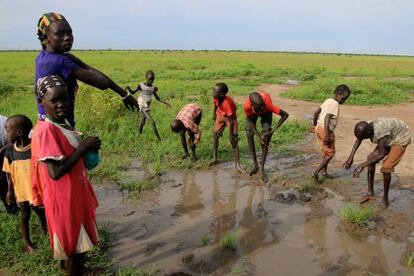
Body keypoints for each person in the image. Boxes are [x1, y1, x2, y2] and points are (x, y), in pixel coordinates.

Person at [31, 75, 101, 275]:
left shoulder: (61, 123)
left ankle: (81, 268)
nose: (61, 105)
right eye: (54, 101)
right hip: (64, 198)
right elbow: (55, 172)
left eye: (65, 99)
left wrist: (86, 147)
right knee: (73, 245)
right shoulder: (46, 130)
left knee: (79, 244)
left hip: (74, 193)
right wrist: (83, 148)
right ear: (41, 101)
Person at [36, 12, 139, 127]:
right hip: (60, 127)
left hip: (43, 122)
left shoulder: (42, 57)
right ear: (46, 37)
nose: (67, 38)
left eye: (69, 33)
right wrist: (77, 60)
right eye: (60, 34)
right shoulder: (62, 61)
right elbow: (103, 83)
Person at [2, 115, 47, 253]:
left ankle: (48, 234)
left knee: (41, 213)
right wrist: (9, 191)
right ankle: (27, 244)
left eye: (8, 130)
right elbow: (8, 172)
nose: (5, 133)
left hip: (36, 190)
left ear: (19, 132)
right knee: (24, 215)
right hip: (21, 191)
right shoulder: (10, 152)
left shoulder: (35, 148)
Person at [344, 118, 411, 208]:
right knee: (370, 158)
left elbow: (381, 153)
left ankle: (385, 199)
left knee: (386, 168)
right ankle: (370, 192)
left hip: (400, 137)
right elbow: (359, 139)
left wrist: (363, 165)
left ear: (369, 133)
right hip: (388, 136)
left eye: (364, 137)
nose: (362, 139)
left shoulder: (379, 130)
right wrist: (350, 157)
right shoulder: (366, 126)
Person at [244, 91, 289, 183]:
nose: (261, 110)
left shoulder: (267, 105)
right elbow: (251, 122)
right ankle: (255, 165)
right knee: (249, 133)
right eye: (259, 109)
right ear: (252, 105)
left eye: (262, 108)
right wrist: (257, 136)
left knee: (266, 137)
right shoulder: (247, 106)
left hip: (267, 113)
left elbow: (285, 115)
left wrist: (272, 131)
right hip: (253, 113)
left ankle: (261, 168)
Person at [311, 84, 351, 181]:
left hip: (319, 128)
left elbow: (316, 112)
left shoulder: (327, 100)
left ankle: (324, 173)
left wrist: (314, 125)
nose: (343, 101)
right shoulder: (335, 104)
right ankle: (316, 172)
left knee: (326, 152)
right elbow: (327, 118)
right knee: (330, 154)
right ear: (338, 94)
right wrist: (327, 135)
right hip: (326, 131)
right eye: (343, 98)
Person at [209, 83, 245, 173]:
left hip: (230, 118)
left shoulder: (227, 103)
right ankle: (215, 158)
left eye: (215, 91)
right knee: (215, 135)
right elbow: (215, 104)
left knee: (234, 140)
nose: (213, 92)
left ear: (221, 94)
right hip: (220, 114)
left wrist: (231, 135)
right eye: (213, 90)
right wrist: (214, 113)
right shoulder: (216, 98)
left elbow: (232, 120)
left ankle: (237, 165)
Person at [125, 70, 170, 140]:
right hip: (142, 105)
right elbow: (133, 92)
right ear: (146, 77)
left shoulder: (152, 88)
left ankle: (138, 135)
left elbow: (158, 98)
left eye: (153, 79)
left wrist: (166, 103)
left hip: (147, 106)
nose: (151, 81)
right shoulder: (141, 85)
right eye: (150, 79)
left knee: (142, 122)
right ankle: (159, 139)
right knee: (152, 122)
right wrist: (129, 88)